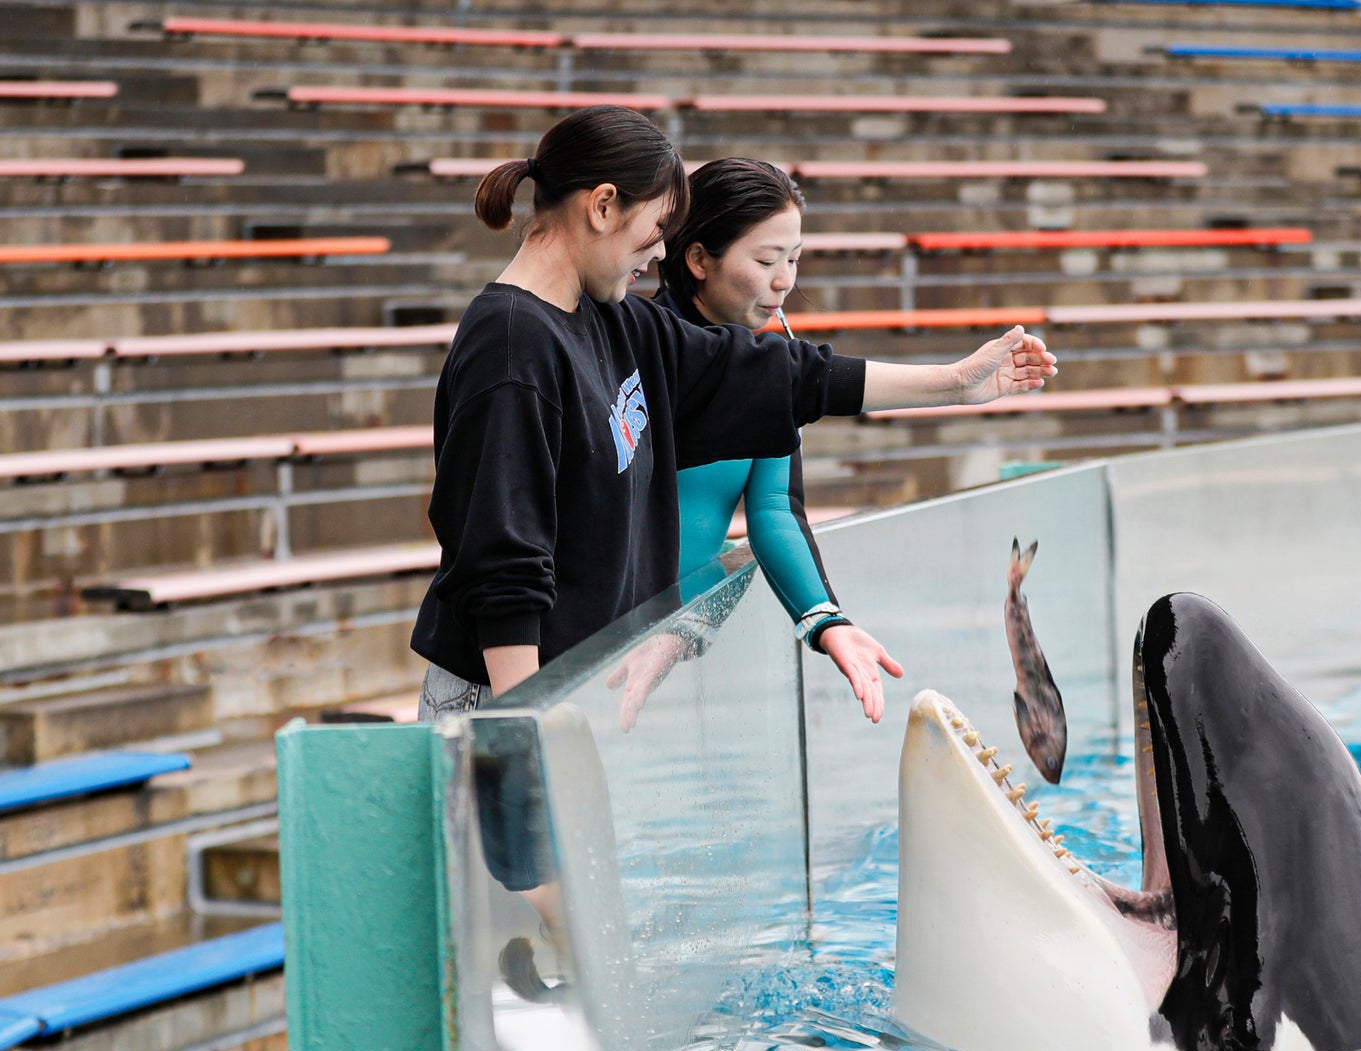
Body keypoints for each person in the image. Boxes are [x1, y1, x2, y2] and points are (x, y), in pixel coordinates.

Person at [412, 107, 1058, 725]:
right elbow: (502, 559)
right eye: (656, 230)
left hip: (576, 681)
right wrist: (526, 724)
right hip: (505, 695)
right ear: (603, 206)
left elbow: (782, 375)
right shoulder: (512, 342)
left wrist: (953, 384)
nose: (660, 254)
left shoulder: (614, 321)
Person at [655, 158, 902, 721]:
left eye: (793, 259)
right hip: (594, 640)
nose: (785, 280)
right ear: (697, 259)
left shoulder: (766, 368)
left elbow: (773, 507)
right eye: (766, 260)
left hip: (670, 641)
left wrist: (825, 619)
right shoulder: (643, 352)